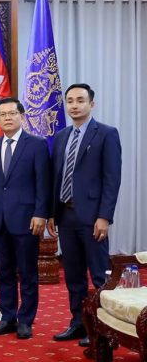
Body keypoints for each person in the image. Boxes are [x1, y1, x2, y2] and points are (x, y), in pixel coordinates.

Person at [48, 83, 121, 347]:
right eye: (70, 101)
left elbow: (111, 179)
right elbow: (56, 177)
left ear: (92, 104)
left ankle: (104, 329)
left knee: (100, 276)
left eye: (80, 100)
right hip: (66, 216)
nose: (74, 105)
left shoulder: (106, 134)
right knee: (74, 275)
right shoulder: (61, 136)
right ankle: (79, 323)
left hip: (92, 218)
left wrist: (105, 217)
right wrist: (51, 214)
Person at [0, 97, 50, 340]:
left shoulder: (37, 145)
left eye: (12, 113)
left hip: (26, 218)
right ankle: (7, 317)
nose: (8, 118)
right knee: (4, 272)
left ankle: (26, 320)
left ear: (22, 116)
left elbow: (43, 182)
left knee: (27, 272)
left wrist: (41, 213)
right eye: (3, 115)